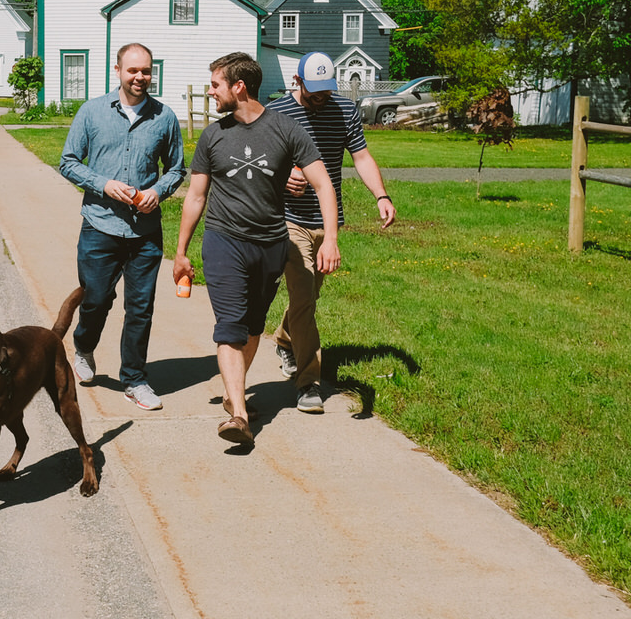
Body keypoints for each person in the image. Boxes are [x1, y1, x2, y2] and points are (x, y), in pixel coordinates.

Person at [173, 52, 340, 446]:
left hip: (269, 244)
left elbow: (323, 184)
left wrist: (329, 238)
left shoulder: (286, 129)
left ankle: (235, 394)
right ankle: (240, 415)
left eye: (216, 84)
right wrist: (181, 251)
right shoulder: (214, 136)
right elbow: (196, 197)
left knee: (251, 329)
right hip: (223, 241)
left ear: (239, 86)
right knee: (230, 326)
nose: (211, 92)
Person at [58, 42, 186, 410]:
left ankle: (134, 378)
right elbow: (68, 162)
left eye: (146, 71)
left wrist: (158, 191)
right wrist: (103, 184)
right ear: (117, 71)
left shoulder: (164, 117)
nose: (140, 77)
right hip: (100, 226)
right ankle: (83, 345)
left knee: (140, 308)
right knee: (96, 300)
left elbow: (177, 168)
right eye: (133, 70)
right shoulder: (92, 112)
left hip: (145, 233)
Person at [266, 52, 395, 412]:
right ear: (298, 80)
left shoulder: (343, 110)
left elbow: (362, 157)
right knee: (304, 298)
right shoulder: (277, 113)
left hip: (327, 219)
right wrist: (282, 176)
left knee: (308, 297)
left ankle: (284, 339)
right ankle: (308, 383)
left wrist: (381, 196)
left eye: (327, 89)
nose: (321, 97)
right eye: (314, 90)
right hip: (290, 219)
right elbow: (260, 162)